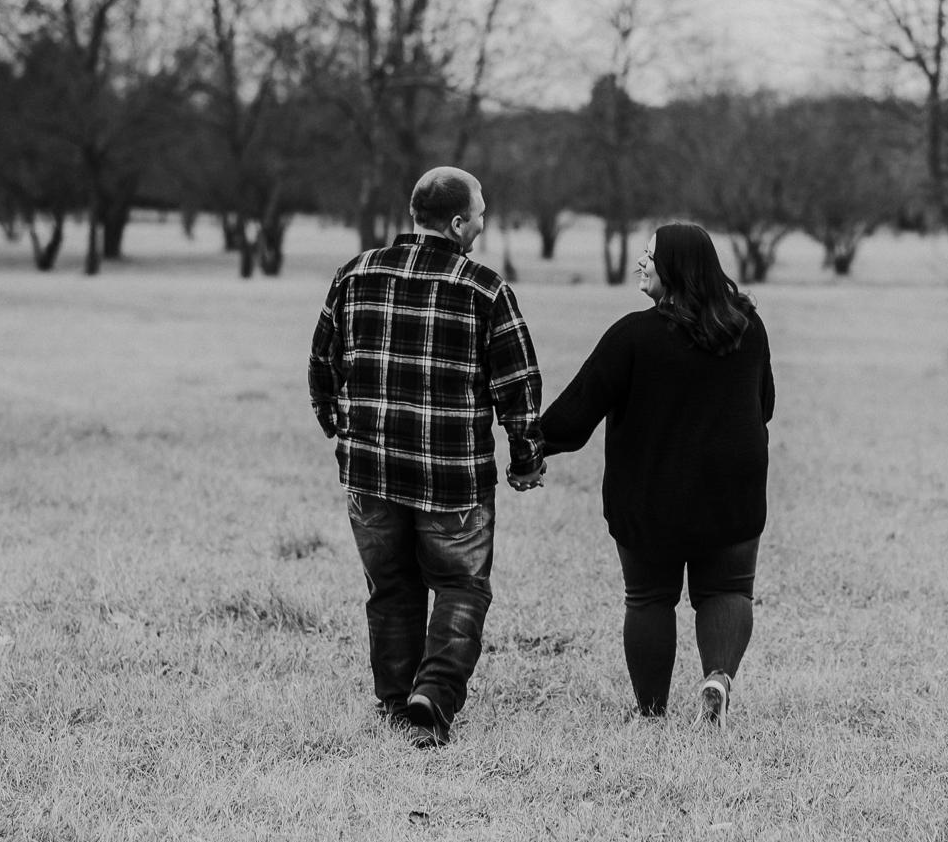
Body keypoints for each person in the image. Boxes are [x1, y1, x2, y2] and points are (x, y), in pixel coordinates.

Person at [308, 166, 546, 748]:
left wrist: (337, 425)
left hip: (370, 470)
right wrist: (526, 458)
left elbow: (322, 365)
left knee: (391, 587)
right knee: (462, 587)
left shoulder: (355, 273)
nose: (483, 224)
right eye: (481, 214)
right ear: (459, 223)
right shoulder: (485, 289)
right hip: (453, 480)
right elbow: (518, 386)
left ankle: (395, 703)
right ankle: (433, 697)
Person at [540, 223, 774, 726]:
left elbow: (577, 413)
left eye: (649, 256)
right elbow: (766, 404)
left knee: (649, 598)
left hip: (651, 498)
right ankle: (718, 679)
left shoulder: (633, 335)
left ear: (675, 267)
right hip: (732, 494)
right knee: (728, 590)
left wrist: (532, 448)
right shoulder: (746, 329)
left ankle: (651, 713)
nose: (640, 264)